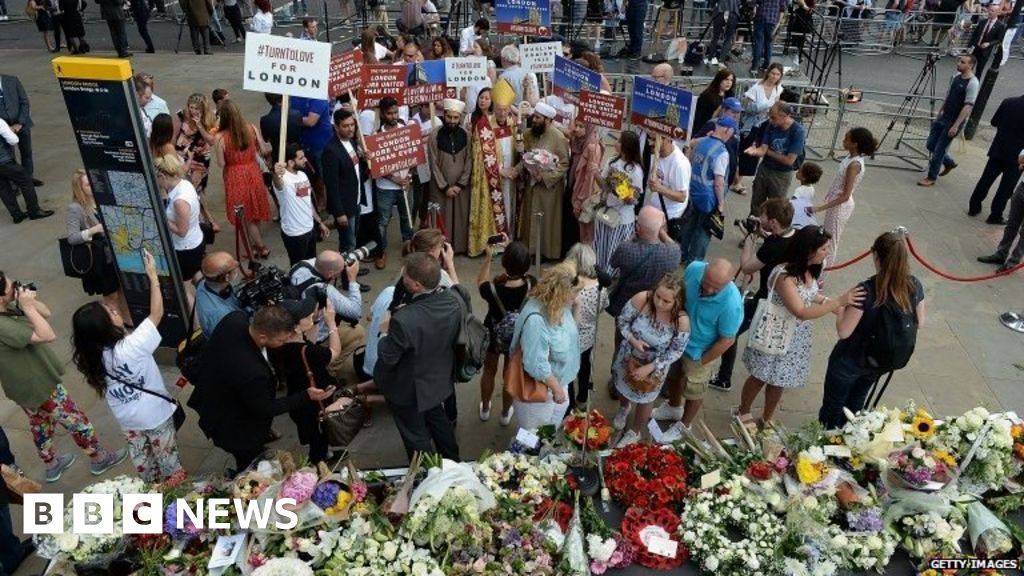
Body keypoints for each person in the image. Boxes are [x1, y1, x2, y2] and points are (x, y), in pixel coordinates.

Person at [71, 250, 185, 483]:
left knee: (145, 465)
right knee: (170, 465)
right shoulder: (133, 345)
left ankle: (153, 497)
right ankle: (178, 506)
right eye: (111, 312)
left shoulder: (91, 356)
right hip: (154, 416)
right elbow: (157, 313)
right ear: (105, 326)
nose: (115, 311)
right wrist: (153, 276)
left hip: (128, 419)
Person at [0, 273, 127, 482]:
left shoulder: (6, 310)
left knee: (40, 423)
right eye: (9, 285)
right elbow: (47, 335)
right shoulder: (3, 325)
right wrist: (28, 307)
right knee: (75, 419)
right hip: (39, 383)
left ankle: (51, 463)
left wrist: (26, 301)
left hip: (23, 388)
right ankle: (98, 457)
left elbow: (46, 313)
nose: (14, 284)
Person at [736, 226, 865, 428]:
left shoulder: (810, 269)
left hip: (794, 336)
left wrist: (826, 302)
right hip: (776, 331)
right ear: (808, 250)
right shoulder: (783, 275)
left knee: (779, 378)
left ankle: (767, 417)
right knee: (760, 376)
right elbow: (801, 311)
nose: (828, 252)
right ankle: (743, 410)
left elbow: (809, 293)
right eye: (824, 249)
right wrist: (838, 302)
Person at [197, 304, 335, 472]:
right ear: (263, 337)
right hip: (234, 427)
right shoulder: (252, 372)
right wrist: (306, 396)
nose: (284, 343)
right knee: (250, 465)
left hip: (216, 396)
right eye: (281, 340)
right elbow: (266, 408)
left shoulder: (235, 319)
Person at [818, 232, 927, 428]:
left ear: (876, 256)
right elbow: (921, 320)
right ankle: (849, 438)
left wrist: (841, 306)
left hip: (850, 359)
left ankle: (827, 440)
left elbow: (844, 331)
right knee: (857, 403)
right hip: (879, 362)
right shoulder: (914, 285)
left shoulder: (866, 290)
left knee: (834, 405)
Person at [375, 252, 463, 460]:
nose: (401, 278)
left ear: (416, 286)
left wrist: (384, 332)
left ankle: (428, 473)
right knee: (438, 421)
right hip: (438, 378)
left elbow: (388, 357)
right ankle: (454, 461)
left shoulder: (404, 319)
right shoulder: (455, 300)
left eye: (405, 277)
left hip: (408, 387)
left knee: (415, 435)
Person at [652, 259, 743, 440]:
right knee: (673, 375)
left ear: (729, 282)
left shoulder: (732, 304)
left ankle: (685, 424)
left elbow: (727, 340)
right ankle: (674, 407)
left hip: (701, 350)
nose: (708, 290)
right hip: (678, 338)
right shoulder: (694, 269)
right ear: (704, 271)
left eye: (715, 289)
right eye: (706, 284)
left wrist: (703, 361)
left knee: (695, 389)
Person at [711, 198, 795, 391]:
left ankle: (724, 378)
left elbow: (748, 267)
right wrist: (763, 234)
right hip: (782, 298)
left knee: (729, 331)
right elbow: (776, 242)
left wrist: (749, 239)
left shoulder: (772, 247)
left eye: (763, 216)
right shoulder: (793, 235)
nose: (760, 218)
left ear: (773, 222)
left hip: (765, 299)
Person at [612, 272, 689, 446]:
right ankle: (623, 408)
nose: (659, 303)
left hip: (655, 364)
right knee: (624, 385)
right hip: (628, 355)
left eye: (666, 301)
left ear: (677, 301)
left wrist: (651, 367)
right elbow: (622, 321)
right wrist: (632, 340)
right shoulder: (642, 299)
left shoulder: (681, 321)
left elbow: (676, 351)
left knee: (646, 397)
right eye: (658, 296)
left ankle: (635, 431)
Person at [510, 262, 581, 430]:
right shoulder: (536, 321)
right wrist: (557, 389)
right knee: (533, 438)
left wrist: (577, 307)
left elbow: (571, 334)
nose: (577, 296)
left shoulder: (560, 305)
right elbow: (535, 365)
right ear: (560, 293)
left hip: (559, 384)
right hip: (539, 393)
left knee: (548, 435)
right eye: (574, 293)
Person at [272, 297, 344, 464]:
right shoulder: (310, 352)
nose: (310, 315)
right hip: (314, 404)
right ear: (296, 327)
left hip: (299, 401)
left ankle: (325, 455)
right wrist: (331, 324)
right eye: (306, 315)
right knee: (319, 436)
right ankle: (318, 465)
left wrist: (315, 320)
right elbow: (334, 352)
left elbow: (307, 343)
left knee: (315, 435)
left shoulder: (280, 346)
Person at [809, 127, 878, 283]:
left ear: (855, 144)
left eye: (847, 139)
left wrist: (819, 208)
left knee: (830, 243)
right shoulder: (850, 157)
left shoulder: (854, 164)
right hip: (836, 203)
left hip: (840, 206)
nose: (843, 140)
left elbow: (845, 195)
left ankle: (820, 279)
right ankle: (818, 272)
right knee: (827, 238)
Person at [65, 169, 131, 323]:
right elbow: (72, 238)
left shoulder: (102, 198)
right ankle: (116, 326)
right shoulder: (75, 208)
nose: (93, 187)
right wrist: (94, 230)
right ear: (79, 188)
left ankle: (128, 320)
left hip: (118, 252)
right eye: (88, 185)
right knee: (111, 295)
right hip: (101, 258)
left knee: (123, 290)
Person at [477, 238, 532, 424]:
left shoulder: (492, 289)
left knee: (489, 370)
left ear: (504, 263)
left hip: (493, 335)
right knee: (510, 374)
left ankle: (485, 408)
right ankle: (505, 413)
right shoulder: (531, 285)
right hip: (517, 337)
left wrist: (488, 258)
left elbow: (481, 280)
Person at [510, 103, 570, 260]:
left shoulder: (559, 138)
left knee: (546, 220)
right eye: (534, 116)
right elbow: (525, 157)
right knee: (530, 218)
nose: (534, 120)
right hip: (531, 185)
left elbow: (564, 164)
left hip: (548, 189)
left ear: (548, 120)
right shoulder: (529, 134)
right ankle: (528, 250)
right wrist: (517, 168)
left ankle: (545, 252)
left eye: (538, 117)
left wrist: (544, 177)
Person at [216, 100, 273, 258]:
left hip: (235, 175)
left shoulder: (220, 138)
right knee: (254, 211)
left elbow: (221, 163)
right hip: (253, 171)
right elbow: (263, 149)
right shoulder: (251, 128)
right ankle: (255, 245)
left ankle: (260, 247)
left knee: (244, 215)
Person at [468, 82, 518, 257]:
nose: (502, 113)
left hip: (511, 176)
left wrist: (517, 168)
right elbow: (479, 157)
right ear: (493, 107)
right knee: (494, 207)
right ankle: (493, 243)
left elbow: (518, 148)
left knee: (509, 204)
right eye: (499, 109)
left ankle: (507, 239)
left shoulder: (513, 123)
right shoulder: (484, 126)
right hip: (493, 178)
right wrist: (499, 170)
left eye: (506, 110)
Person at [678, 116, 736, 264]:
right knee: (704, 230)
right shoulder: (722, 152)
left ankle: (682, 253)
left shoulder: (703, 142)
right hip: (708, 196)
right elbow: (719, 182)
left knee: (690, 224)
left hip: (693, 190)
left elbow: (690, 147)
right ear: (728, 131)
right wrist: (721, 203)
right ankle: (695, 260)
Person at [917, 55, 978, 187]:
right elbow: (949, 95)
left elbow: (968, 106)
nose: (958, 64)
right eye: (959, 61)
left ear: (970, 65)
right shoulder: (956, 76)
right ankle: (949, 162)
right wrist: (940, 112)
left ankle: (931, 177)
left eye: (962, 62)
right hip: (944, 117)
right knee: (930, 145)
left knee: (939, 151)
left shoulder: (973, 83)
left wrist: (956, 126)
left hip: (953, 122)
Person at [373, 97, 415, 270]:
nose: (393, 116)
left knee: (407, 218)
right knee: (382, 222)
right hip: (385, 188)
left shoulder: (406, 131)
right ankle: (381, 252)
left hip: (405, 186)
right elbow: (377, 165)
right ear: (383, 114)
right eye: (389, 113)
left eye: (396, 112)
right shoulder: (377, 136)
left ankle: (408, 248)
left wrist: (409, 177)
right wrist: (394, 179)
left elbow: (414, 157)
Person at [969, 94, 1024, 224]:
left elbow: (994, 122)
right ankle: (995, 215)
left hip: (998, 149)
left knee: (986, 179)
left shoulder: (1008, 101)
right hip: (1017, 157)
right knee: (1005, 188)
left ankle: (974, 207)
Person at [565, 243, 607, 407]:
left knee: (567, 370)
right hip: (588, 335)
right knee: (585, 365)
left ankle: (569, 406)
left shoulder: (569, 286)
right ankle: (582, 397)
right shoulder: (599, 287)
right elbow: (603, 306)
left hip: (569, 336)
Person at [745, 102, 807, 215]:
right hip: (765, 169)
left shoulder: (798, 132)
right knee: (756, 203)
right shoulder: (771, 126)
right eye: (769, 116)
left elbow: (789, 160)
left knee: (776, 208)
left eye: (773, 117)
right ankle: (753, 225)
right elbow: (763, 148)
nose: (770, 120)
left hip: (781, 175)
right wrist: (755, 150)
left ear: (785, 116)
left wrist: (767, 152)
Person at [594, 130, 643, 272]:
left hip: (622, 219)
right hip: (607, 213)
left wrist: (621, 190)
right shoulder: (612, 161)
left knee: (614, 253)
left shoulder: (636, 170)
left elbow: (633, 199)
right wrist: (596, 173)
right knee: (601, 249)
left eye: (620, 141)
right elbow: (603, 186)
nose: (616, 143)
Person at [429, 99, 473, 254]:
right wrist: (445, 186)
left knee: (461, 217)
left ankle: (459, 249)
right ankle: (440, 250)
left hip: (461, 188)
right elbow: (433, 164)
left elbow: (469, 161)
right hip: (441, 187)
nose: (452, 121)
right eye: (449, 117)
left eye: (456, 118)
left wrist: (460, 185)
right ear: (444, 116)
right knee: (442, 219)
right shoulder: (434, 134)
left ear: (460, 118)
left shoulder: (467, 135)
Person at [273, 145, 329, 266]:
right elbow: (278, 184)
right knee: (298, 269)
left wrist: (319, 222)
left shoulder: (303, 175)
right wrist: (276, 173)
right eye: (301, 158)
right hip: (295, 234)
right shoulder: (284, 179)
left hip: (309, 229)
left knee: (312, 265)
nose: (306, 160)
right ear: (291, 162)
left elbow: (307, 202)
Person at [155, 154, 205, 285]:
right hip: (195, 241)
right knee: (196, 276)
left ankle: (195, 304)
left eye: (157, 179)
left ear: (163, 176)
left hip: (185, 249)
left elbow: (181, 231)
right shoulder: (185, 184)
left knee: (184, 288)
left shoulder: (179, 201)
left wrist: (160, 217)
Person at [322, 109, 368, 254]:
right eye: (345, 126)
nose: (350, 129)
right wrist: (339, 212)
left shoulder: (352, 142)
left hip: (356, 200)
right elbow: (331, 185)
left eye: (352, 125)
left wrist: (365, 161)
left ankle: (352, 265)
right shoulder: (331, 151)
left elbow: (356, 172)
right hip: (345, 207)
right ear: (336, 127)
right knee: (348, 243)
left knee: (353, 238)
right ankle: (347, 272)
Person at [736, 65, 783, 194]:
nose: (774, 76)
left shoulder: (778, 89)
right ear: (768, 73)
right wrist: (766, 105)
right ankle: (737, 181)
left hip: (766, 124)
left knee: (756, 152)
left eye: (777, 74)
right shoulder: (756, 88)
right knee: (745, 151)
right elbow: (747, 107)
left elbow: (776, 106)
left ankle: (739, 180)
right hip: (751, 125)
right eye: (772, 73)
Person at [176, 93, 219, 230]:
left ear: (203, 109)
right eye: (191, 107)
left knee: (197, 188)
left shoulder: (212, 117)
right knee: (193, 189)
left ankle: (206, 219)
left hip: (200, 158)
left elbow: (211, 141)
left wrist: (199, 125)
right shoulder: (181, 115)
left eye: (197, 108)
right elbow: (175, 135)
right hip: (183, 155)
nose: (193, 111)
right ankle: (205, 219)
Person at [978, 151, 1024, 272]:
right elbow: (1021, 158)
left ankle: (1013, 262)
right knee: (1011, 225)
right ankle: (1001, 254)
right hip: (1022, 189)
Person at [0, 119, 52, 223]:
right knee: (26, 181)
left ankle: (16, 215)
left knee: (3, 189)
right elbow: (13, 140)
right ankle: (34, 211)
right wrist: (10, 130)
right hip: (5, 161)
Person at [644, 136, 690, 245]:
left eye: (655, 140)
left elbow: (682, 197)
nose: (651, 142)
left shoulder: (679, 164)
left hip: (667, 216)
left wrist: (660, 188)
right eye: (650, 138)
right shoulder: (655, 154)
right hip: (653, 209)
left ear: (668, 139)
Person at [0, 75, 41, 186]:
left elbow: (24, 102)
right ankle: (14, 183)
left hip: (21, 124)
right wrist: (4, 127)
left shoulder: (12, 81)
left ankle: (28, 179)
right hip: (3, 128)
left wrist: (20, 122)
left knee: (26, 153)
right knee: (9, 157)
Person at [568, 121, 604, 247]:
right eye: (576, 125)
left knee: (584, 232)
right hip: (574, 188)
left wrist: (580, 200)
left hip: (583, 195)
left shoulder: (592, 147)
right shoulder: (577, 141)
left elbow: (589, 178)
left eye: (581, 126)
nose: (577, 129)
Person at [195, 251, 244, 336]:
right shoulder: (221, 315)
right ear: (227, 277)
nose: (237, 263)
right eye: (234, 267)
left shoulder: (204, 284)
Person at [259, 93, 302, 167]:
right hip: (296, 156)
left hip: (278, 157)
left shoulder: (265, 120)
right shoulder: (297, 115)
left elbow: (266, 139)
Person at [751, 0, 787, 74]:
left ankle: (754, 66)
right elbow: (782, 9)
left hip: (760, 18)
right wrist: (778, 23)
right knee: (769, 43)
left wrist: (754, 13)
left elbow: (757, 3)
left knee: (758, 43)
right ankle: (766, 66)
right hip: (773, 20)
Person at [969, 5, 1006, 72]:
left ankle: (976, 82)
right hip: (976, 48)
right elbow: (974, 35)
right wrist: (969, 46)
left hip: (985, 51)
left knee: (979, 70)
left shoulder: (1000, 25)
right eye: (989, 10)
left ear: (997, 13)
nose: (989, 12)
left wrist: (989, 44)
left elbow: (999, 39)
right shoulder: (983, 21)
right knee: (969, 68)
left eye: (992, 11)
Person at [707, 0, 740, 65]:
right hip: (732, 13)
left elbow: (712, 2)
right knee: (728, 39)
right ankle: (721, 61)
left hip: (720, 12)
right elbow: (739, 3)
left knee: (715, 37)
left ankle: (709, 59)